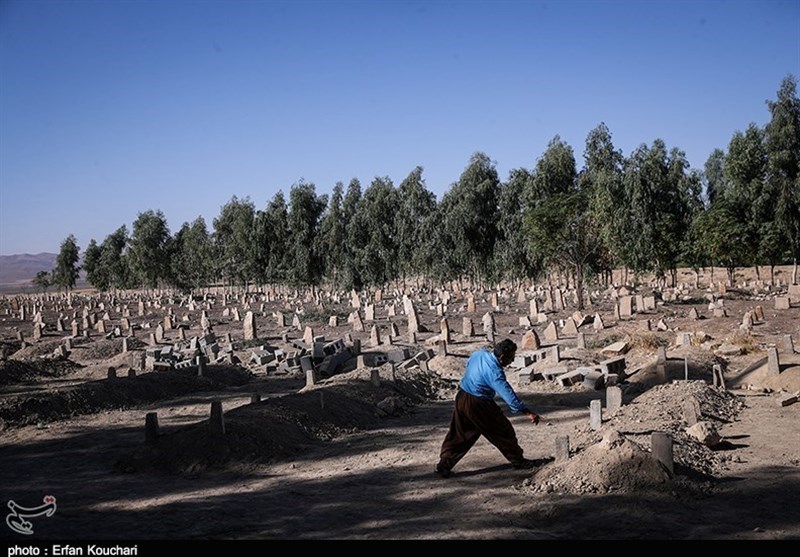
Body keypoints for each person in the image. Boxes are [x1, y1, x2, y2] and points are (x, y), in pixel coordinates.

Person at [435, 338, 541, 478]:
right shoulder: (495, 372)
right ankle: (518, 460)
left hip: (461, 397)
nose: (512, 361)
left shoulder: (479, 354)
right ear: (502, 357)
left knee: (459, 433)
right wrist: (527, 412)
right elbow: (508, 395)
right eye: (511, 358)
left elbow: (469, 365)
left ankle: (444, 465)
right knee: (503, 430)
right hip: (478, 403)